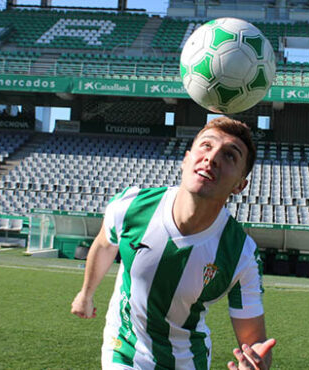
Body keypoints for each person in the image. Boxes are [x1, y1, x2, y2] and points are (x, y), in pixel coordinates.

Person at [71, 117, 275, 369]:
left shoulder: (241, 254)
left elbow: (254, 341)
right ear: (186, 159)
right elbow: (104, 244)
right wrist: (86, 293)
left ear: (239, 185)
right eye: (206, 146)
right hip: (125, 350)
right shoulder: (131, 206)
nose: (211, 159)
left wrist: (255, 363)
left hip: (190, 360)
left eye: (230, 156)